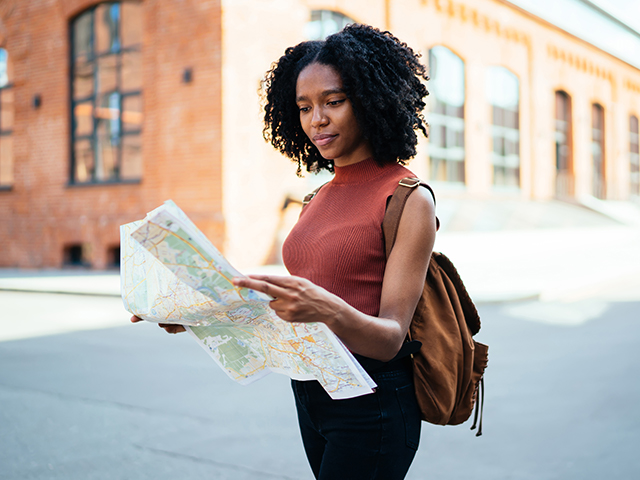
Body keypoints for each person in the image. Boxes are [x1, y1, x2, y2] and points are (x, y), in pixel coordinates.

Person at [133, 23, 437, 480]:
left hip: (372, 400)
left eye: (334, 101)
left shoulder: (408, 198)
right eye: (304, 107)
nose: (317, 119)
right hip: (312, 389)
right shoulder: (316, 199)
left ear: (373, 99)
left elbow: (392, 337)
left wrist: (325, 309)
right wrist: (202, 314)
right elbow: (291, 314)